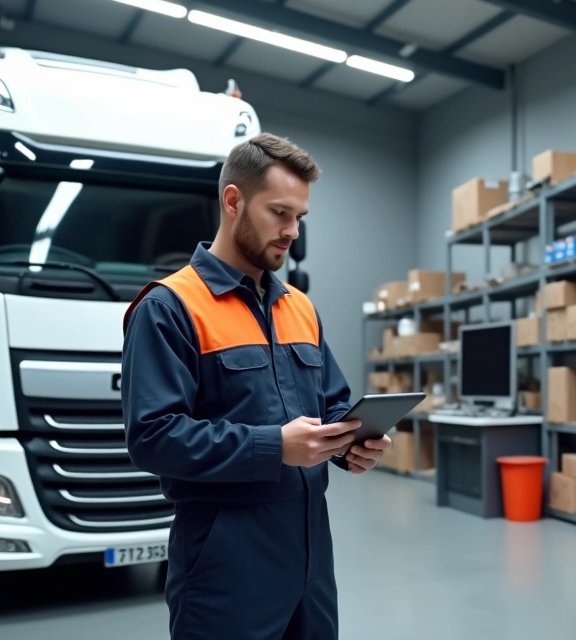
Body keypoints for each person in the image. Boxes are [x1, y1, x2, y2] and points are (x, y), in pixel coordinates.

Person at [120, 132, 392, 640]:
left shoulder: (299, 307)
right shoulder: (170, 307)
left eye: (300, 218)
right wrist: (275, 447)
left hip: (311, 561)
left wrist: (351, 443)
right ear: (233, 202)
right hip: (226, 565)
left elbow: (331, 404)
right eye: (280, 213)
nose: (292, 232)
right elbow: (153, 435)